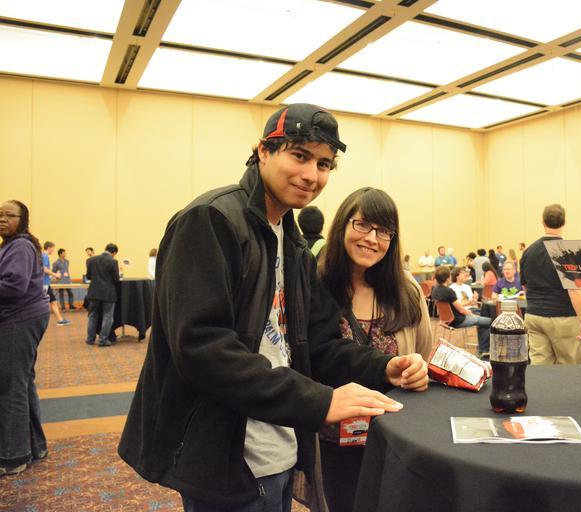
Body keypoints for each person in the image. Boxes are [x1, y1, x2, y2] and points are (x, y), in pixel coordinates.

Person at [118, 103, 428, 512]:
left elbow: (318, 343)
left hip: (278, 444)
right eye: (299, 155)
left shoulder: (292, 242)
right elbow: (202, 348)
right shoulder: (211, 219)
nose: (311, 175)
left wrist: (383, 367)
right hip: (225, 455)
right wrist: (320, 402)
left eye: (324, 164)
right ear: (263, 150)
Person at [317, 187, 432, 512]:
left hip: (395, 440)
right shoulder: (317, 285)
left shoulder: (406, 290)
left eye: (383, 231)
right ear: (343, 224)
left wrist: (418, 371)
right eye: (363, 225)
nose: (372, 238)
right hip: (332, 441)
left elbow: (424, 353)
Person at [0, 200, 49, 476]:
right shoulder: (12, 245)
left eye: (10, 215)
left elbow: (14, 286)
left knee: (11, 387)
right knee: (22, 383)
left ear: (23, 219)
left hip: (19, 319)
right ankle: (35, 446)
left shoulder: (19, 245)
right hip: (25, 317)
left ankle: (13, 456)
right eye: (0, 214)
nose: (3, 219)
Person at [520, 204, 581, 365]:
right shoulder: (569, 251)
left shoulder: (528, 252)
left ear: (543, 222)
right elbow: (575, 290)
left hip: (534, 316)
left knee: (540, 367)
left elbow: (525, 285)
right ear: (564, 222)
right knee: (570, 367)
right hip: (563, 316)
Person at [432, 266, 491, 359]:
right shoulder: (449, 291)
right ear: (447, 278)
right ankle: (483, 350)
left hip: (448, 320)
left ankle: (482, 348)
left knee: (481, 321)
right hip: (459, 320)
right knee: (489, 322)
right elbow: (461, 310)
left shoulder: (435, 290)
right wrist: (470, 313)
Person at [85, 243, 121, 347]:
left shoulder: (91, 260)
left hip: (93, 292)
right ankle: (103, 340)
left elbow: (88, 276)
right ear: (114, 253)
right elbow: (116, 279)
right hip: (108, 293)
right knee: (107, 316)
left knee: (92, 316)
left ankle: (90, 339)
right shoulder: (113, 262)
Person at [41, 241, 70, 326]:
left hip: (46, 282)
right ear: (49, 248)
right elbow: (44, 269)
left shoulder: (43, 256)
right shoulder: (45, 256)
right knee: (41, 303)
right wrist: (55, 274)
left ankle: (60, 320)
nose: (53, 251)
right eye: (53, 249)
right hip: (44, 284)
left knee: (53, 301)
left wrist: (52, 277)